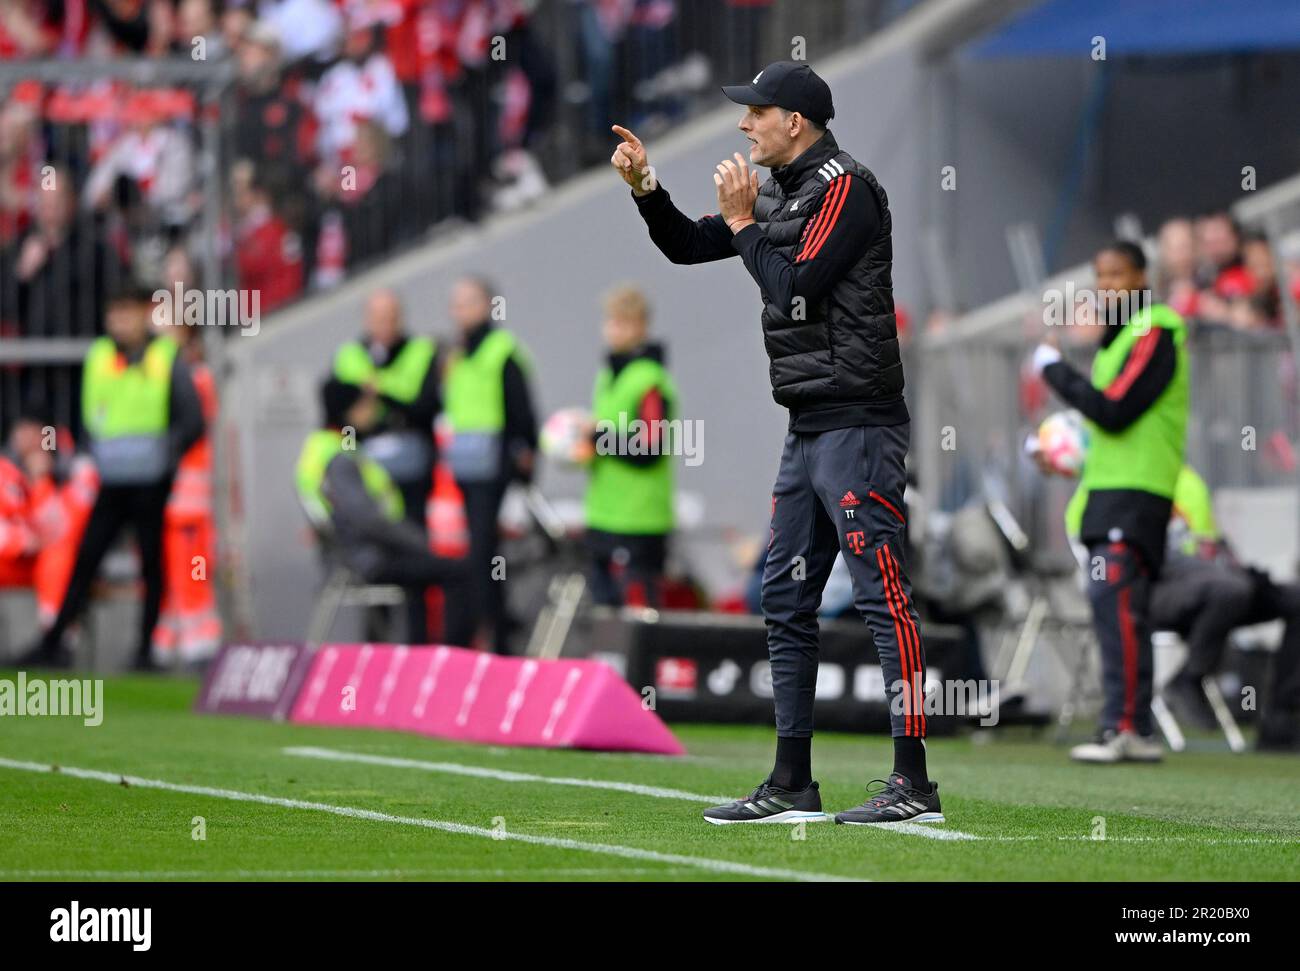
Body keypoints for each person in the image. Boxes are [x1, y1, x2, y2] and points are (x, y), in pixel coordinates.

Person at [614, 61, 939, 825]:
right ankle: (793, 779)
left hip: (859, 424)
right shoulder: (781, 190)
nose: (743, 124)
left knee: (882, 596)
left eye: (755, 111)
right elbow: (688, 248)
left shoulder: (845, 189)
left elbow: (793, 287)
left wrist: (741, 225)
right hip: (809, 426)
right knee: (785, 599)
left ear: (795, 121)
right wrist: (646, 190)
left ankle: (914, 783)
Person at [1031, 240, 1190, 763]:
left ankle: (1121, 727)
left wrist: (1053, 369)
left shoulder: (1156, 328)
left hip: (1135, 497)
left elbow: (1116, 410)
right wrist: (1064, 458)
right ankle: (1136, 730)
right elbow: (1110, 432)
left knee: (1117, 606)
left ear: (1143, 277)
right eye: (1100, 275)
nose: (1106, 286)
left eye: (1117, 274)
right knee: (1120, 609)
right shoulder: (1114, 342)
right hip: (1109, 495)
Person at [23, 285, 206, 670]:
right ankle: (54, 643)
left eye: (126, 312)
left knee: (151, 566)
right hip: (109, 480)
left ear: (144, 313)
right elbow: (85, 413)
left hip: (150, 483)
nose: (119, 322)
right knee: (85, 558)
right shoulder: (100, 355)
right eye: (114, 313)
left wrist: (163, 458)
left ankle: (145, 651)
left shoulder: (164, 355)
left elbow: (193, 421)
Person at [296, 378, 466, 607]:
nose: (374, 411)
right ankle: (452, 644)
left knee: (430, 569)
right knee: (461, 571)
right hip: (369, 559)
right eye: (366, 405)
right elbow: (368, 519)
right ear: (350, 411)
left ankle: (408, 642)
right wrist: (422, 542)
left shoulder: (321, 447)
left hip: (351, 556)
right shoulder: (340, 456)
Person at [333, 289, 441, 640]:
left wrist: (379, 392)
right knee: (374, 552)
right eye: (377, 317)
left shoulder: (421, 351)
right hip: (368, 475)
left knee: (414, 549)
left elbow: (426, 407)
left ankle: (418, 643)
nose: (383, 324)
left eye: (390, 316)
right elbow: (340, 410)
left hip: (410, 475)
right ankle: (377, 644)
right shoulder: (349, 355)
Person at [440, 276, 538, 654]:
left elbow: (522, 413)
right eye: (457, 303)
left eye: (469, 301)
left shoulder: (502, 350)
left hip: (492, 464)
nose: (461, 310)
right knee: (476, 552)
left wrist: (524, 464)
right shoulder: (455, 354)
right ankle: (485, 633)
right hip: (464, 465)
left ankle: (495, 638)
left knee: (484, 552)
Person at [579, 284, 678, 607]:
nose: (611, 329)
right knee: (604, 614)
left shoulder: (650, 380)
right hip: (603, 514)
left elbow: (649, 447)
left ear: (640, 326)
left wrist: (597, 437)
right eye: (609, 321)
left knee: (638, 619)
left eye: (620, 322)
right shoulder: (607, 376)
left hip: (639, 519)